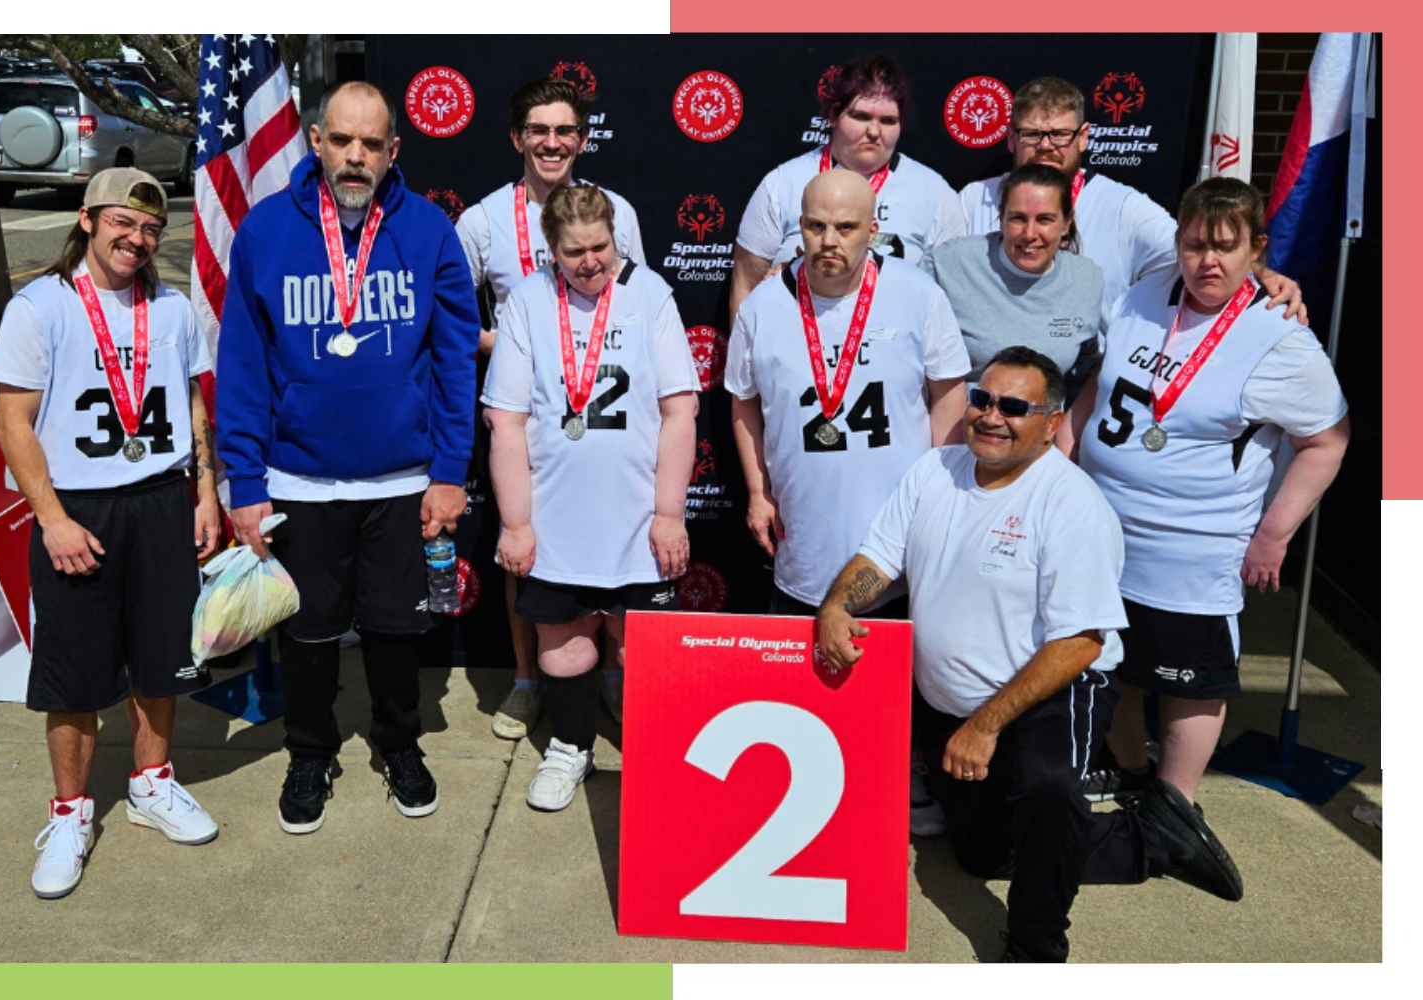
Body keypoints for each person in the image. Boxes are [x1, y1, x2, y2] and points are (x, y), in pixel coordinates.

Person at [818, 348, 1245, 963]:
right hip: (952, 706)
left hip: (1053, 692)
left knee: (1049, 791)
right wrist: (838, 606)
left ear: (1051, 423)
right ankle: (1154, 837)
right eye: (983, 399)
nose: (992, 416)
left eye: (1015, 407)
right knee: (982, 856)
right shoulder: (934, 470)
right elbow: (877, 558)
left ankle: (1035, 951)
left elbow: (1081, 642)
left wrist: (985, 726)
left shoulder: (1073, 504)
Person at [216, 81, 478, 835]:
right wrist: (244, 479)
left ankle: (400, 745)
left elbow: (456, 361)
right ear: (315, 141)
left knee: (398, 629)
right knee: (307, 633)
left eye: (372, 144)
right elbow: (242, 366)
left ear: (394, 150)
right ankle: (310, 752)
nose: (355, 157)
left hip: (402, 478)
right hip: (298, 477)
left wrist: (449, 471)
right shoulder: (265, 232)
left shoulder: (429, 232)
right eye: (342, 141)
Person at [1065, 178, 1350, 811]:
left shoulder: (1280, 338)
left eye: (1225, 246)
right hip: (1104, 533)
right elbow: (1098, 386)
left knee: (1188, 679)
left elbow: (1327, 442)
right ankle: (1132, 771)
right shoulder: (1145, 292)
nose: (1207, 261)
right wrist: (1064, 463)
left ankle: (1176, 805)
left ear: (1258, 249)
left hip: (1192, 552)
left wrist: (1273, 536)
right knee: (1115, 661)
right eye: (1194, 244)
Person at [0, 168, 222, 899]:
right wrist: (51, 518)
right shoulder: (41, 306)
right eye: (125, 222)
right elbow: (11, 422)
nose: (139, 239)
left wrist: (205, 493)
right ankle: (69, 814)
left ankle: (152, 785)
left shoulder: (173, 308)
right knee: (75, 671)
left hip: (158, 499)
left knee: (160, 659)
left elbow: (190, 404)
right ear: (87, 220)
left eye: (152, 228)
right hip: (80, 507)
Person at [727, 168, 968, 836]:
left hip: (898, 526)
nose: (829, 241)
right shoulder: (764, 306)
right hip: (806, 523)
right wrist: (754, 489)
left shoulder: (917, 294)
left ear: (875, 230)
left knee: (901, 660)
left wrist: (946, 486)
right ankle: (811, 785)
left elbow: (950, 389)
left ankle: (906, 771)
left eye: (846, 227)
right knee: (814, 660)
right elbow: (743, 399)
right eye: (815, 226)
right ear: (798, 225)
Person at [482, 184, 698, 812]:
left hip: (638, 518)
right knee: (564, 641)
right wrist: (516, 524)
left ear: (615, 239)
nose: (589, 262)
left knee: (639, 644)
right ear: (552, 250)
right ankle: (571, 747)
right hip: (558, 518)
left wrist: (669, 513)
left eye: (599, 247)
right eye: (573, 251)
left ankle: (655, 749)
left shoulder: (651, 294)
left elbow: (680, 411)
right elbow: (508, 421)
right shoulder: (525, 301)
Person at [455, 78, 647, 741]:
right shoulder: (482, 220)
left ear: (584, 140)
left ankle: (616, 679)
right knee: (524, 549)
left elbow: (640, 305)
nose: (551, 143)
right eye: (538, 130)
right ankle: (529, 678)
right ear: (516, 138)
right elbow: (450, 318)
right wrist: (512, 340)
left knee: (620, 548)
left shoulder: (616, 211)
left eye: (565, 131)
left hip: (610, 417)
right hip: (527, 422)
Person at [958, 77, 1305, 323]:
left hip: (1083, 386)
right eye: (1032, 133)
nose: (1046, 145)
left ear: (1083, 138)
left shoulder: (1124, 207)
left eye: (1060, 134)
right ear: (1010, 139)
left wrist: (1260, 273)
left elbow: (1195, 252)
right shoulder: (975, 199)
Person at [731, 53, 966, 321]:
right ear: (834, 117)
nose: (874, 132)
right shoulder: (783, 182)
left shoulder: (934, 192)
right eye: (861, 116)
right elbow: (745, 286)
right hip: (797, 346)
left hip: (894, 350)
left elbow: (955, 296)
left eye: (888, 120)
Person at [927, 163, 1103, 403]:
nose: (1030, 233)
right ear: (1000, 217)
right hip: (967, 425)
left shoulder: (1087, 278)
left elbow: (1084, 370)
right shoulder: (948, 264)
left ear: (1066, 223)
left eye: (1045, 220)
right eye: (1018, 218)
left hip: (1043, 431)